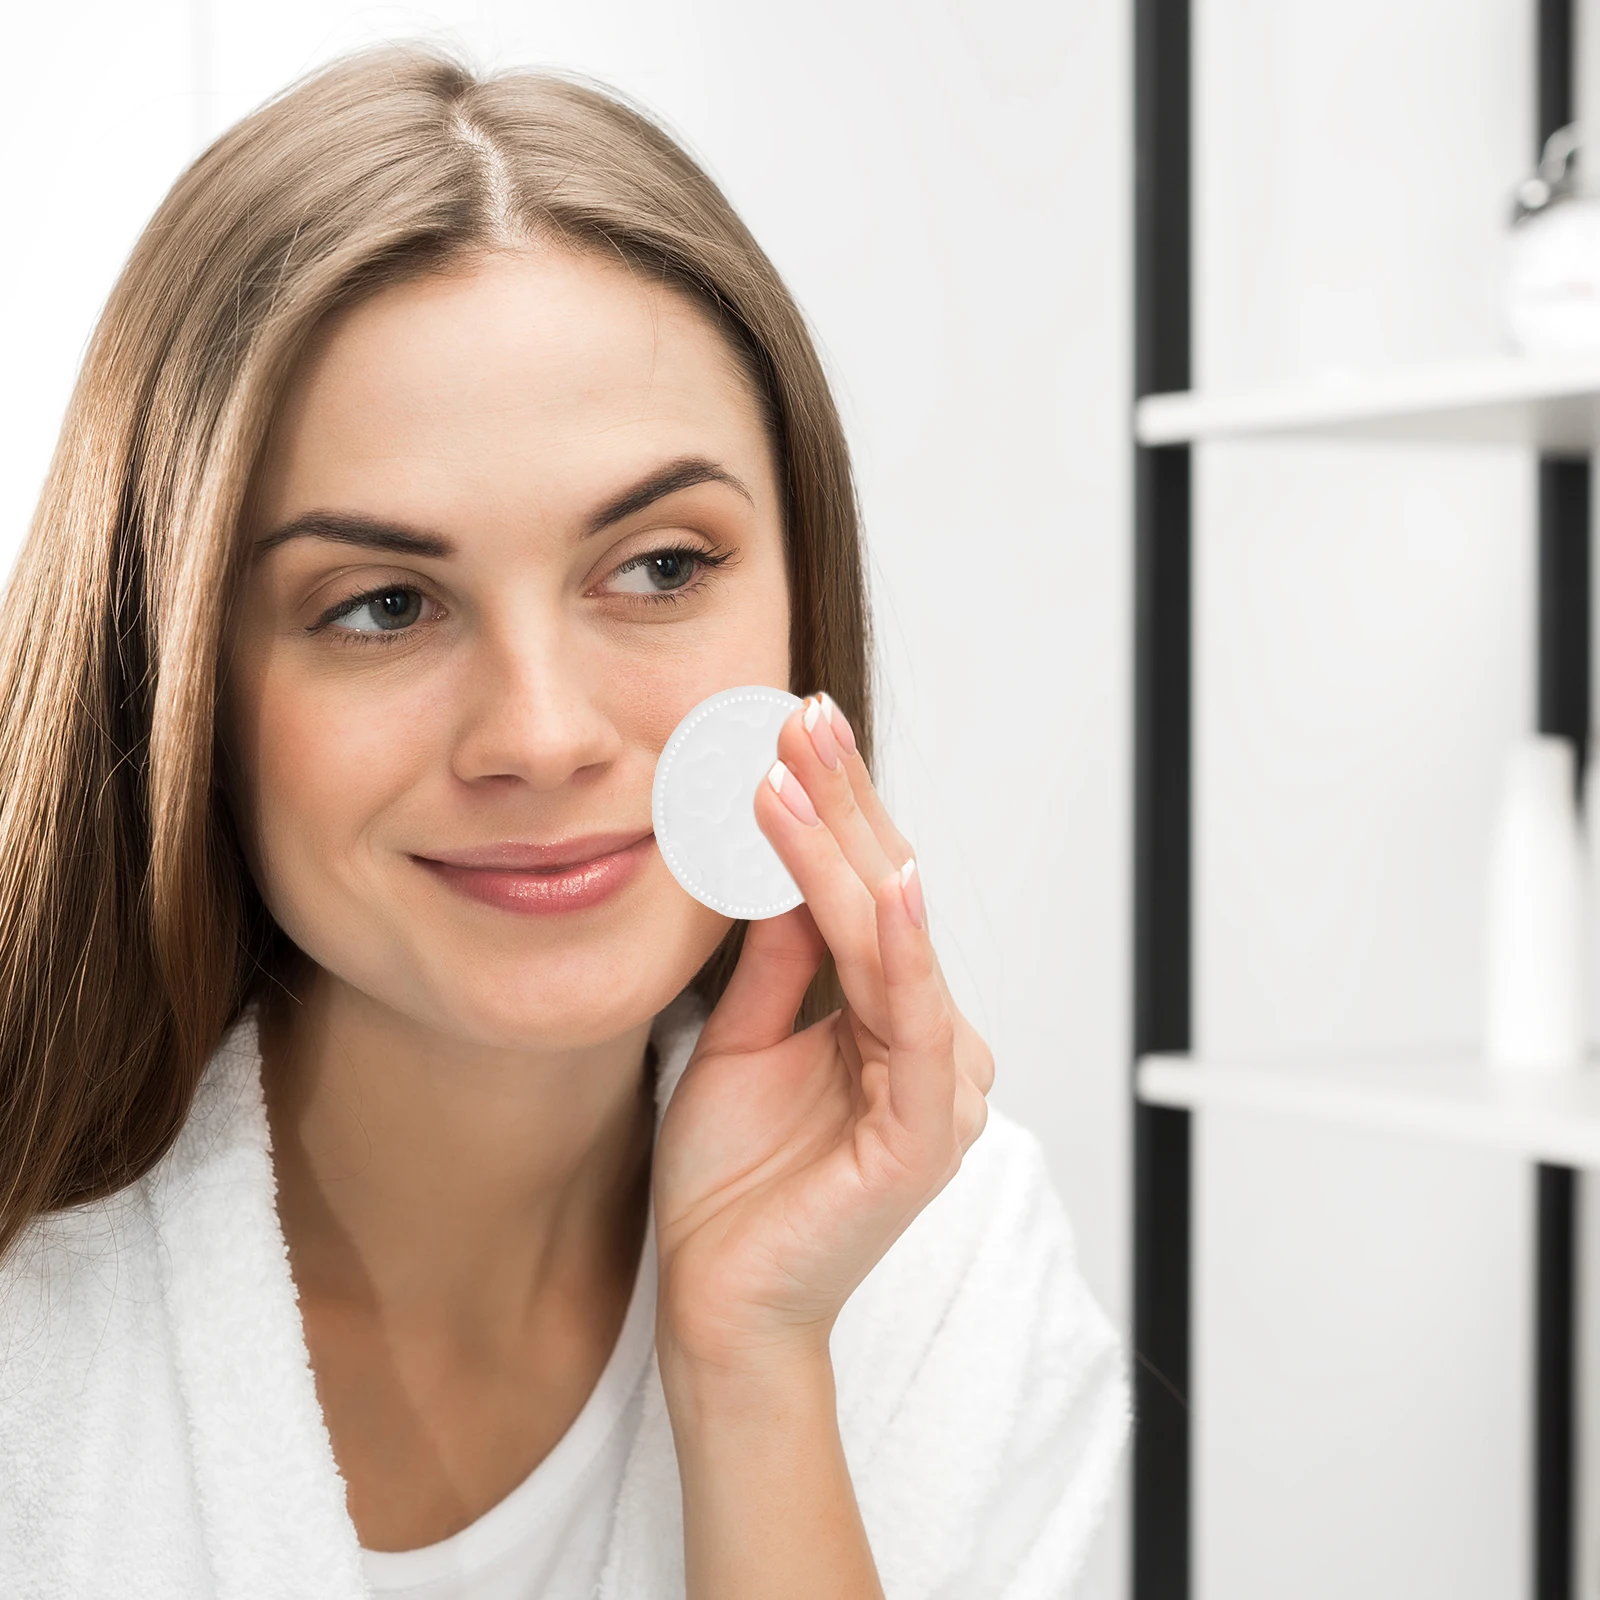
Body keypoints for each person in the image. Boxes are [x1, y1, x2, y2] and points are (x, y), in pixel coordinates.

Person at [0, 44, 1127, 1600]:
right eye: (382, 605)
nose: (541, 733)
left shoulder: (950, 1267)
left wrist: (754, 1366)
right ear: (172, 671)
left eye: (661, 567)